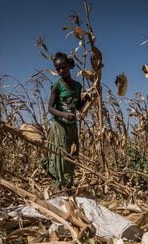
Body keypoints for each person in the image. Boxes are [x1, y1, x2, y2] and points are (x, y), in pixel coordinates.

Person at [44, 52, 87, 192]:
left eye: (63, 67)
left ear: (69, 66)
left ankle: (69, 184)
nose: (61, 71)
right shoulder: (57, 85)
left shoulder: (78, 86)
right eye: (58, 69)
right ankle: (60, 184)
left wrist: (86, 99)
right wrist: (64, 114)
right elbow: (50, 108)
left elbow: (78, 107)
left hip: (72, 126)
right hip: (59, 125)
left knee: (72, 155)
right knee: (61, 156)